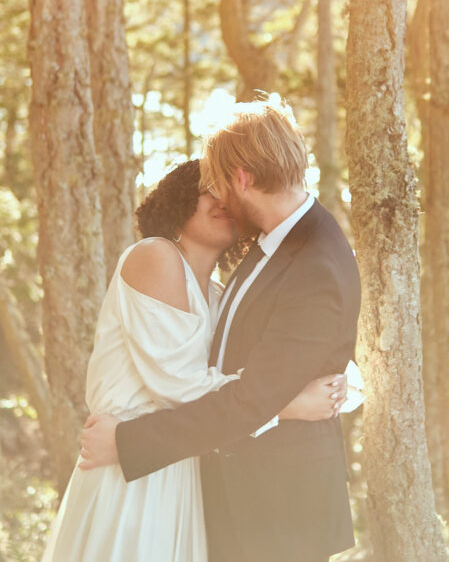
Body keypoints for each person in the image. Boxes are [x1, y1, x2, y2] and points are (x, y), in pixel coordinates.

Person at [80, 99, 362, 561]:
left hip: (278, 513)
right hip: (219, 491)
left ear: (243, 178)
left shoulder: (316, 261)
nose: (219, 200)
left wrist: (126, 443)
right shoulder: (270, 244)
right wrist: (294, 403)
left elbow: (253, 397)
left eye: (218, 184)